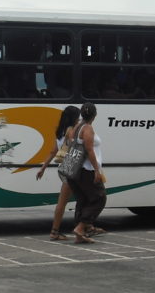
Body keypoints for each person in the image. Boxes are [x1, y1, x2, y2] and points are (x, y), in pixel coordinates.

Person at [36, 105, 80, 240]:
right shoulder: (71, 131)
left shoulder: (60, 131)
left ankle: (84, 226)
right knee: (63, 201)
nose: (79, 119)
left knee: (83, 198)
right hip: (70, 166)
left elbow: (53, 151)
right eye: (78, 117)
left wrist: (43, 167)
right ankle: (55, 232)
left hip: (62, 168)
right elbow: (75, 148)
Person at [66, 102, 107, 243]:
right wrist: (97, 170)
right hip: (87, 169)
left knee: (83, 199)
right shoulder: (87, 128)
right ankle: (81, 227)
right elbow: (89, 150)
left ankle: (83, 230)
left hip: (75, 168)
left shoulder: (76, 127)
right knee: (99, 198)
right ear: (94, 115)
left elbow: (71, 143)